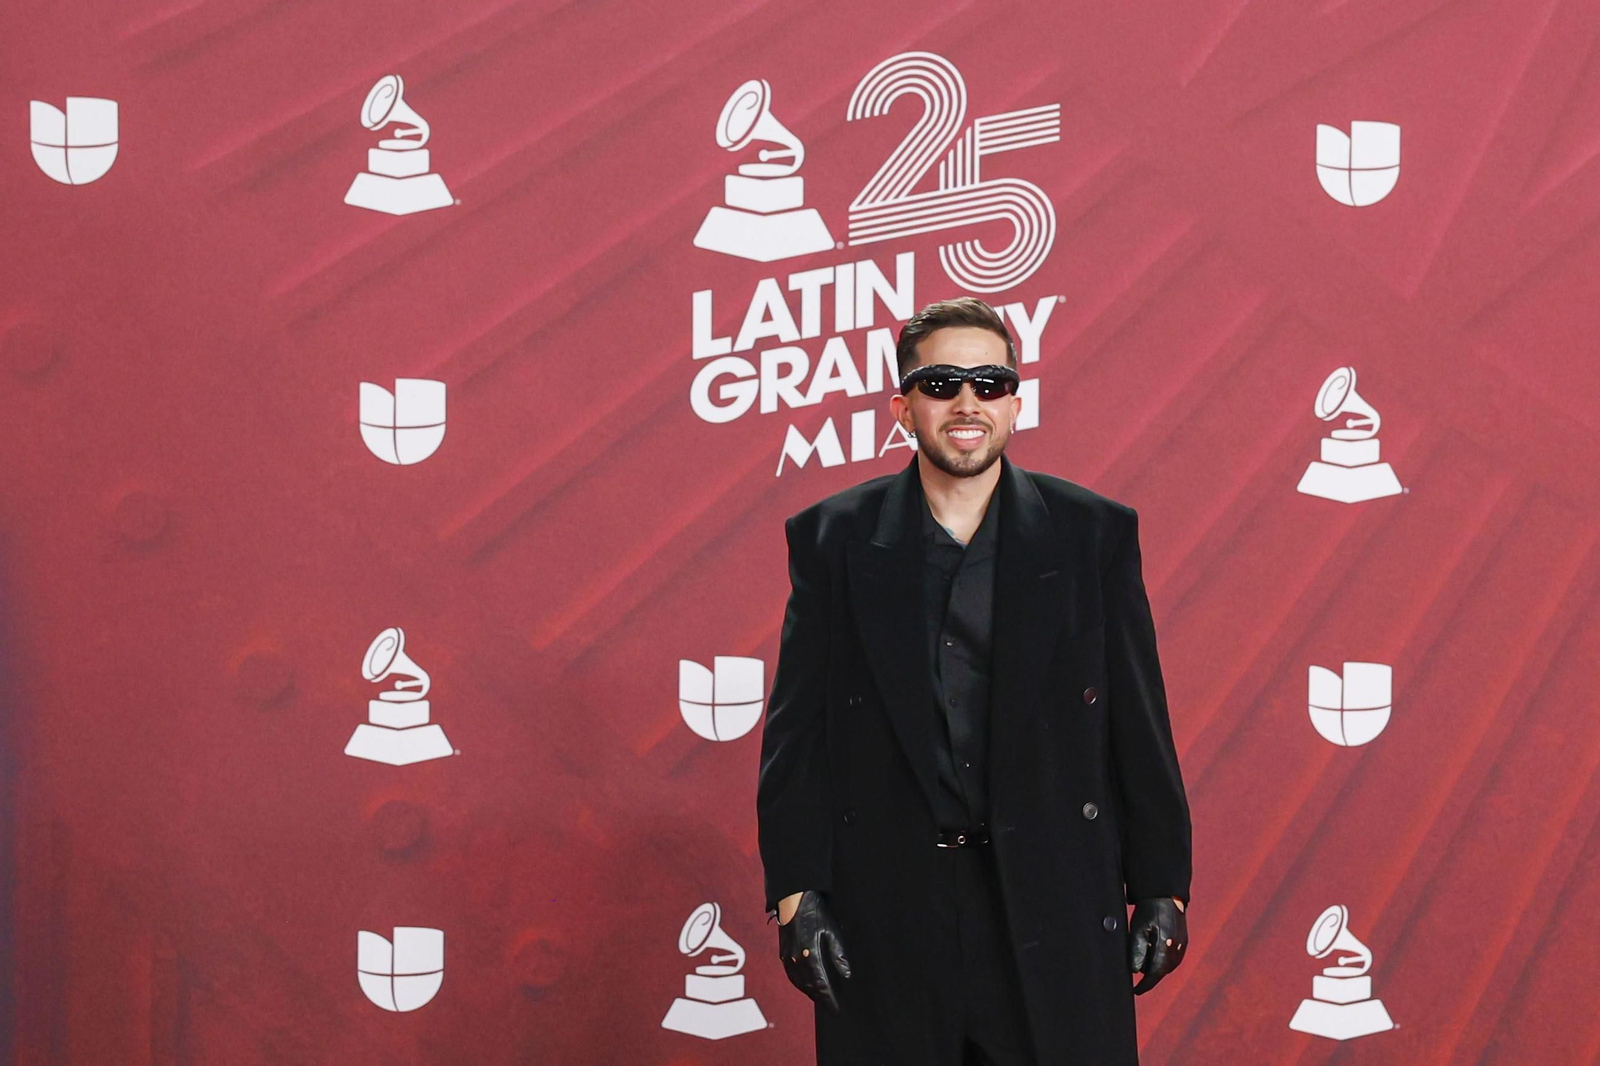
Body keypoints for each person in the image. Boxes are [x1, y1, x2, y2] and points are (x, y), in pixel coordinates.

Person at [755, 297, 1192, 1066]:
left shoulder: (1092, 533)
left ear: (1015, 404)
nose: (967, 403)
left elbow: (1136, 718)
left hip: (1053, 894)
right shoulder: (833, 538)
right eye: (941, 384)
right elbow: (798, 734)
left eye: (990, 383)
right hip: (889, 904)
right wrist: (796, 894)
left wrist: (1164, 884)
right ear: (903, 407)